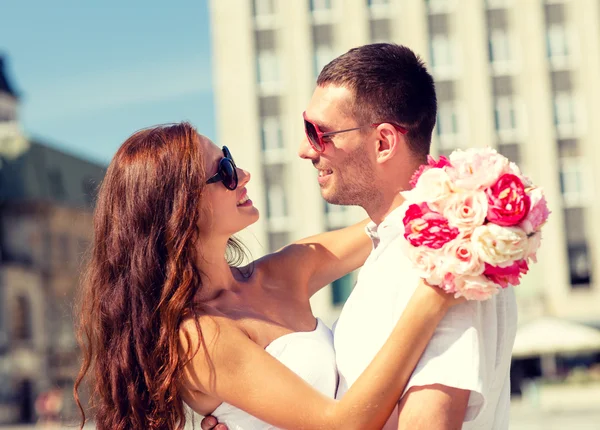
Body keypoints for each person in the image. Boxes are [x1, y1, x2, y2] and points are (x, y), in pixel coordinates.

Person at [206, 43, 518, 430]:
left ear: (384, 142)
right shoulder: (400, 244)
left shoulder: (443, 263)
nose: (305, 150)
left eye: (318, 132)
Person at [74, 122, 463, 430]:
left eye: (229, 157)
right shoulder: (199, 338)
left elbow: (397, 223)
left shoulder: (282, 271)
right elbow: (343, 424)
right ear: (180, 208)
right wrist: (432, 299)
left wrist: (482, 194)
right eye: (223, 170)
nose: (242, 173)